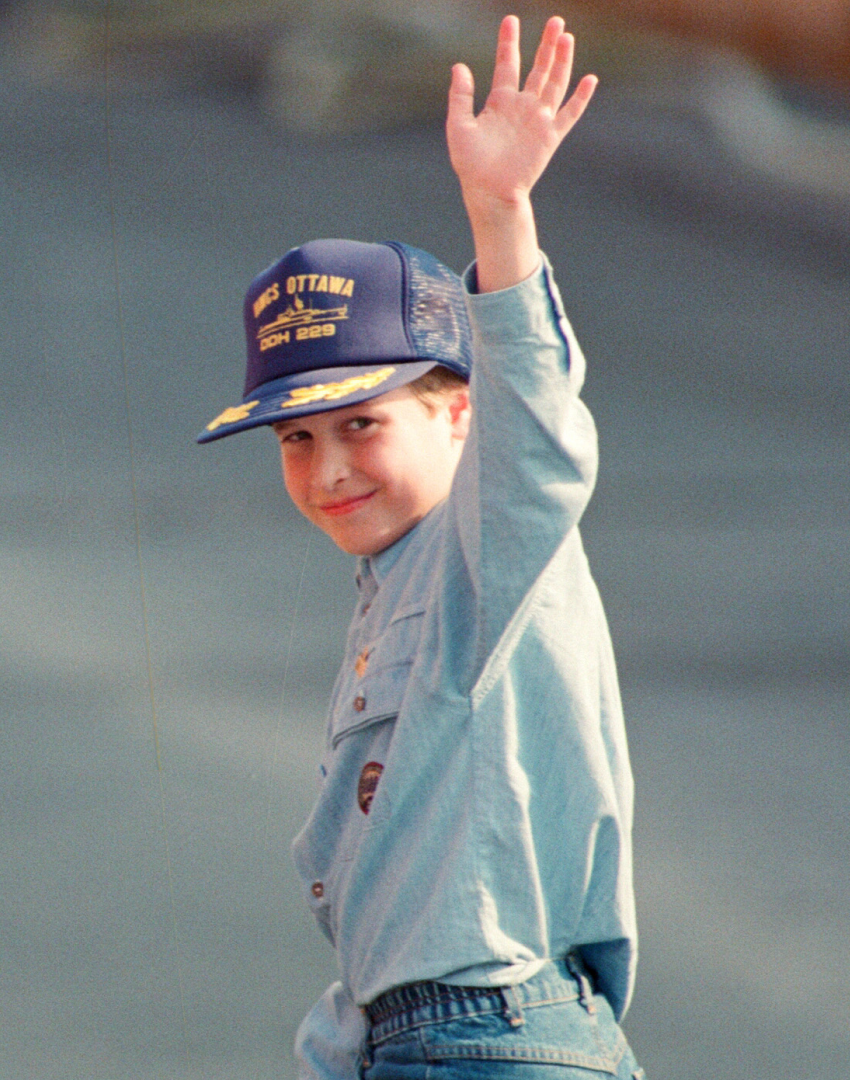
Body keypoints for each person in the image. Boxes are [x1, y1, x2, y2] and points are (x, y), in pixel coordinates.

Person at [198, 15, 641, 1079]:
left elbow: (537, 438)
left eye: (362, 424)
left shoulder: (488, 553)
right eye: (296, 439)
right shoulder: (394, 583)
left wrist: (501, 212)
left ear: (459, 412)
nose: (329, 470)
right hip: (437, 1037)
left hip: (488, 1038)